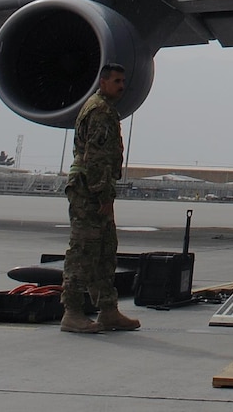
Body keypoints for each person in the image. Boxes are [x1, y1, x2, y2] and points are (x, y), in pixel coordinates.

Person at [61, 63, 140, 334]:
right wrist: (103, 194)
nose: (121, 86)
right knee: (83, 250)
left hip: (95, 189)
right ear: (103, 82)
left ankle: (108, 310)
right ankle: (72, 312)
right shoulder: (99, 111)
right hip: (89, 191)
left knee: (105, 250)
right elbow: (95, 158)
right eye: (117, 80)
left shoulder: (105, 110)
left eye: (123, 81)